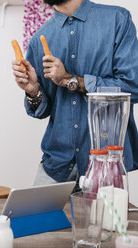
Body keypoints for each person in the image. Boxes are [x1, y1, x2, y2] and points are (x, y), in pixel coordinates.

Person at [12, 0, 138, 186]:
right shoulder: (40, 38)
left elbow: (132, 87)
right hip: (56, 165)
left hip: (104, 166)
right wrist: (33, 91)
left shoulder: (117, 20)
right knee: (34, 216)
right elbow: (43, 109)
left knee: (100, 217)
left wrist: (71, 80)